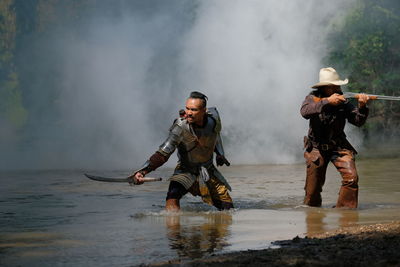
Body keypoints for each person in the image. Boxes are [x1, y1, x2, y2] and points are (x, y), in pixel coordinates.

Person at [132, 91, 233, 211]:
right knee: (172, 200)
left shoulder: (213, 118)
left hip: (208, 171)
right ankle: (174, 228)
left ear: (204, 111)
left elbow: (215, 135)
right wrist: (143, 171)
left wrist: (220, 154)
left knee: (228, 211)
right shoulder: (180, 126)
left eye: (194, 110)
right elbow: (163, 153)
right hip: (185, 171)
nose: (188, 113)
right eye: (187, 108)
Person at [300, 67, 370, 208]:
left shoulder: (343, 102)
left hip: (338, 146)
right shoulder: (312, 98)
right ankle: (314, 220)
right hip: (316, 148)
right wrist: (327, 102)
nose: (338, 88)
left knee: (351, 178)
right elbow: (304, 112)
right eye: (334, 85)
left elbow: (358, 122)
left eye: (338, 85)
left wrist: (362, 107)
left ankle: (345, 213)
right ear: (326, 88)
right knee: (312, 194)